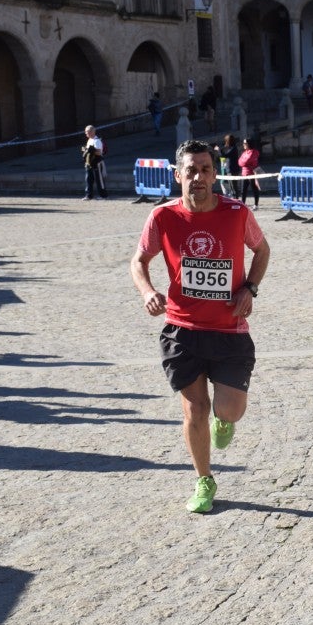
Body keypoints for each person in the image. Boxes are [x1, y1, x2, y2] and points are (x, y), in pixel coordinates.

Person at [130, 139, 271, 513]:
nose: (198, 177)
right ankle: (203, 480)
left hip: (229, 330)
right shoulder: (162, 217)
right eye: (190, 171)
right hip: (182, 329)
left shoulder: (237, 213)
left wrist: (250, 289)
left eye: (205, 169)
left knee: (229, 410)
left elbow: (262, 250)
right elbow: (138, 261)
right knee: (195, 408)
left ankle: (225, 422)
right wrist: (147, 292)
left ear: (214, 174)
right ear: (178, 175)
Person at [81, 125, 108, 200]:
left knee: (99, 179)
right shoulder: (89, 140)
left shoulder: (97, 141)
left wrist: (91, 150)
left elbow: (99, 152)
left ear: (92, 132)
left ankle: (103, 195)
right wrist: (86, 150)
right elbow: (89, 151)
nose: (86, 133)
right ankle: (89, 195)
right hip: (89, 162)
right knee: (88, 179)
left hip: (97, 162)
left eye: (87, 132)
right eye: (85, 131)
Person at [237, 137, 261, 208]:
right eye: (243, 143)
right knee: (243, 190)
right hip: (244, 174)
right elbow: (240, 162)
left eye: (245, 143)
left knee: (254, 189)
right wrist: (243, 161)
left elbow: (246, 161)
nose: (243, 145)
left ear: (249, 144)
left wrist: (243, 161)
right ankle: (243, 203)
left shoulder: (254, 152)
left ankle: (256, 204)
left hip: (252, 173)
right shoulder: (244, 152)